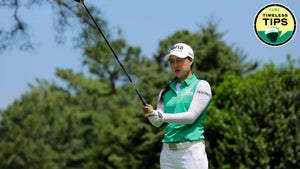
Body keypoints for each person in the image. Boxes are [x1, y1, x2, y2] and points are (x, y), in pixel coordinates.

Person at [143, 43, 212, 169]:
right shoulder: (165, 91)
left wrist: (160, 115)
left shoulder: (201, 85)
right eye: (172, 61)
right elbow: (158, 122)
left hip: (191, 151)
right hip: (167, 153)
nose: (175, 65)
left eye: (179, 60)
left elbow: (191, 116)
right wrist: (151, 114)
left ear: (190, 61)